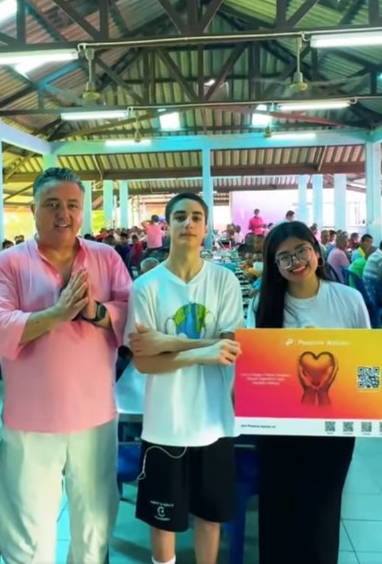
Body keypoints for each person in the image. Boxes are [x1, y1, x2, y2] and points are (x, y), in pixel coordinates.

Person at [0, 167, 132, 564]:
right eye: (51, 205)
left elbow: (134, 319)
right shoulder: (8, 264)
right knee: (27, 533)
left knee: (94, 527)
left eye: (71, 205)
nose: (62, 214)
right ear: (33, 210)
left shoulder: (106, 258)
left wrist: (95, 311)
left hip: (95, 415)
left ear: (83, 212)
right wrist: (57, 312)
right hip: (31, 421)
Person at [124, 192, 243, 564]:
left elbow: (231, 349)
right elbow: (145, 363)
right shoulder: (146, 287)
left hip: (214, 420)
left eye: (195, 217)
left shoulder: (224, 282)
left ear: (206, 228)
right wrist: (204, 351)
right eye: (179, 217)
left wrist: (167, 343)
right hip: (165, 422)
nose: (187, 223)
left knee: (210, 515)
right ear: (167, 226)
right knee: (164, 520)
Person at [248, 221, 371, 564]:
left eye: (301, 250)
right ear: (275, 266)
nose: (294, 261)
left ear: (316, 252)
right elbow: (255, 370)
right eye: (283, 257)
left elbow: (367, 364)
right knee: (277, 514)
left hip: (331, 430)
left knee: (321, 515)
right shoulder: (263, 304)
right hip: (278, 430)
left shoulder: (348, 299)